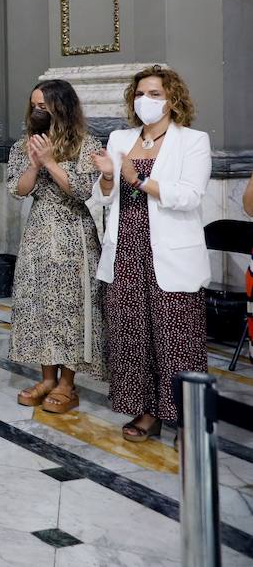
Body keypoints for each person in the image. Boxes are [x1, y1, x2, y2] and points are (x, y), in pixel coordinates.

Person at [93, 64, 211, 442]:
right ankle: (145, 411)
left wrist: (140, 180)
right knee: (131, 334)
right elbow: (103, 197)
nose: (146, 100)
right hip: (125, 246)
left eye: (155, 94)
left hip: (171, 252)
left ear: (173, 99)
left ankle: (187, 419)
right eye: (140, 94)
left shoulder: (193, 141)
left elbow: (189, 196)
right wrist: (110, 178)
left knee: (178, 336)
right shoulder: (119, 138)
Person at [7, 80, 105, 414]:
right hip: (37, 233)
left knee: (71, 308)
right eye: (34, 105)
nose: (37, 112)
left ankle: (67, 384)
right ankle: (47, 378)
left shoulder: (86, 143)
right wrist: (34, 163)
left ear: (61, 107)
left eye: (44, 107)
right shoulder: (24, 145)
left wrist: (50, 161)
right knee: (39, 305)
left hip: (72, 233)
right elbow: (19, 190)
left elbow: (80, 190)